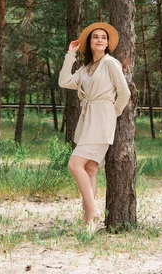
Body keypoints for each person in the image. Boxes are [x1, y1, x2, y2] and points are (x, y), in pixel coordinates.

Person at [58, 22, 130, 225]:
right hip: (87, 120)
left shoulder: (110, 63)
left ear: (107, 43)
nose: (99, 40)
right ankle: (88, 219)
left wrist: (111, 113)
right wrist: (70, 55)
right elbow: (63, 82)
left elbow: (125, 92)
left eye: (103, 37)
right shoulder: (85, 69)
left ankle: (94, 213)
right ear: (89, 42)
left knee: (74, 164)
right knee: (89, 169)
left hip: (102, 119)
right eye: (95, 37)